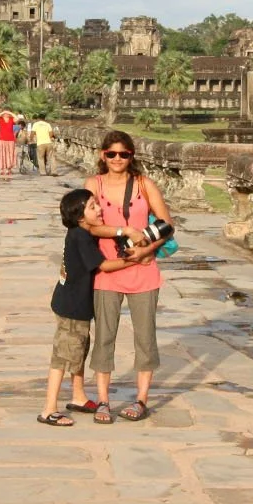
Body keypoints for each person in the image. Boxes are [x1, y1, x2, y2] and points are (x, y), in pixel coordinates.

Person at [41, 188, 161, 426]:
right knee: (63, 357)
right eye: (93, 207)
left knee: (79, 352)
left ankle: (78, 396)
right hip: (71, 306)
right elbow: (104, 266)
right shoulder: (81, 236)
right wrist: (133, 259)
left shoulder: (83, 232)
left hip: (75, 304)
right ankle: (48, 408)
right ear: (80, 217)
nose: (100, 209)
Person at [86, 130, 173, 421]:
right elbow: (91, 227)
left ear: (132, 156)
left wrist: (148, 250)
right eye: (112, 154)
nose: (118, 159)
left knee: (145, 336)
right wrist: (125, 231)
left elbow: (166, 225)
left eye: (124, 154)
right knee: (104, 336)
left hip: (144, 269)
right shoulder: (93, 185)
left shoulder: (144, 185)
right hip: (107, 270)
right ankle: (102, 400)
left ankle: (140, 399)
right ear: (103, 155)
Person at [0, 109, 19, 180]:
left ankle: (9, 169)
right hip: (2, 139)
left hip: (11, 139)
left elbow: (17, 118)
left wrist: (10, 112)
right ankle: (3, 169)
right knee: (2, 154)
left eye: (7, 113)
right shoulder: (0, 119)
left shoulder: (12, 119)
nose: (6, 114)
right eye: (5, 113)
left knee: (10, 154)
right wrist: (2, 113)